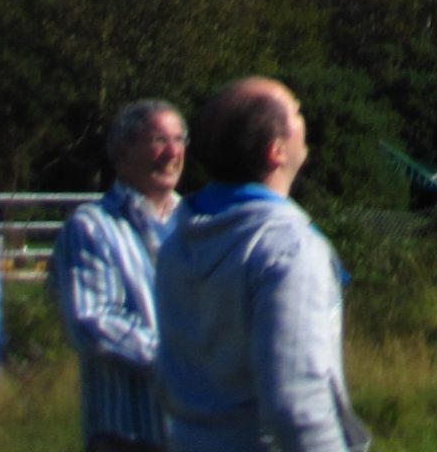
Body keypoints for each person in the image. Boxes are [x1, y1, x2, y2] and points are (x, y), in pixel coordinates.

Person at [156, 77, 368, 452]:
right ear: (277, 151)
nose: (305, 119)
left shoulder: (178, 239)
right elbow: (298, 404)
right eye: (297, 111)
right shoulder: (287, 248)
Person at [51, 99, 188, 451]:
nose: (172, 152)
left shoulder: (196, 223)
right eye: (158, 140)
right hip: (128, 433)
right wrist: (182, 360)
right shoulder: (92, 227)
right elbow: (91, 322)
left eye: (180, 139)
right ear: (122, 153)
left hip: (196, 431)